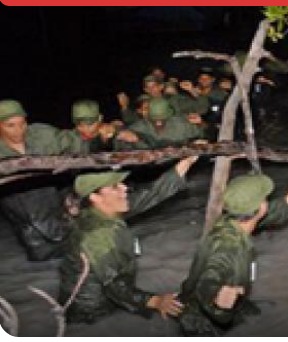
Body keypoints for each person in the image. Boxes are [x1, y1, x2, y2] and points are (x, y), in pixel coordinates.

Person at [58, 156, 199, 324]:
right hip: (92, 311)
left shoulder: (103, 211)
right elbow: (114, 284)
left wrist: (187, 161)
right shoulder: (96, 234)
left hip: (108, 298)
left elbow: (151, 194)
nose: (124, 188)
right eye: (115, 186)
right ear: (95, 197)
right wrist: (155, 301)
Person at [178, 174, 288, 336]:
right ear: (260, 206)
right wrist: (222, 306)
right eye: (265, 198)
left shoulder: (229, 221)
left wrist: (287, 201)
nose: (266, 200)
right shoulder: (229, 249)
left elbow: (259, 218)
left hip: (214, 298)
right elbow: (207, 289)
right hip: (202, 324)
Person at [0, 99, 71, 261]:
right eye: (10, 125)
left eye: (22, 123)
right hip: (24, 211)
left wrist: (109, 132)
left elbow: (74, 141)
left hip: (56, 196)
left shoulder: (43, 134)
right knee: (42, 254)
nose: (19, 130)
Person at [59, 99, 139, 154]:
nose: (86, 129)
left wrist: (134, 139)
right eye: (80, 125)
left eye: (90, 124)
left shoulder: (115, 131)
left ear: (100, 118)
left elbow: (146, 144)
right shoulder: (69, 138)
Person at [124, 98, 205, 150]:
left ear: (168, 115)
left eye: (162, 117)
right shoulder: (137, 127)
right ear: (147, 115)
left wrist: (201, 124)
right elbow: (120, 145)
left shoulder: (182, 124)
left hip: (178, 163)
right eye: (154, 118)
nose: (158, 121)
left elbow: (205, 134)